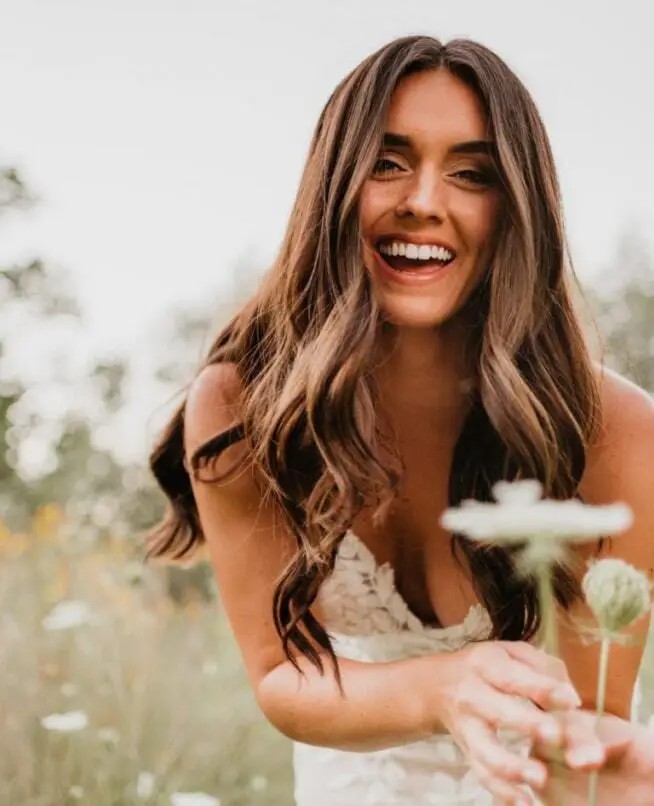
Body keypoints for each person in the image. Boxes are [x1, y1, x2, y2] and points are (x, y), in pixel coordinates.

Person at [146, 35, 654, 805]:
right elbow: (281, 677)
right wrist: (437, 687)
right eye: (387, 162)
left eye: (471, 173)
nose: (423, 199)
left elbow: (588, 735)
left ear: (517, 209)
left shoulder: (612, 430)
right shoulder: (242, 407)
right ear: (332, 185)